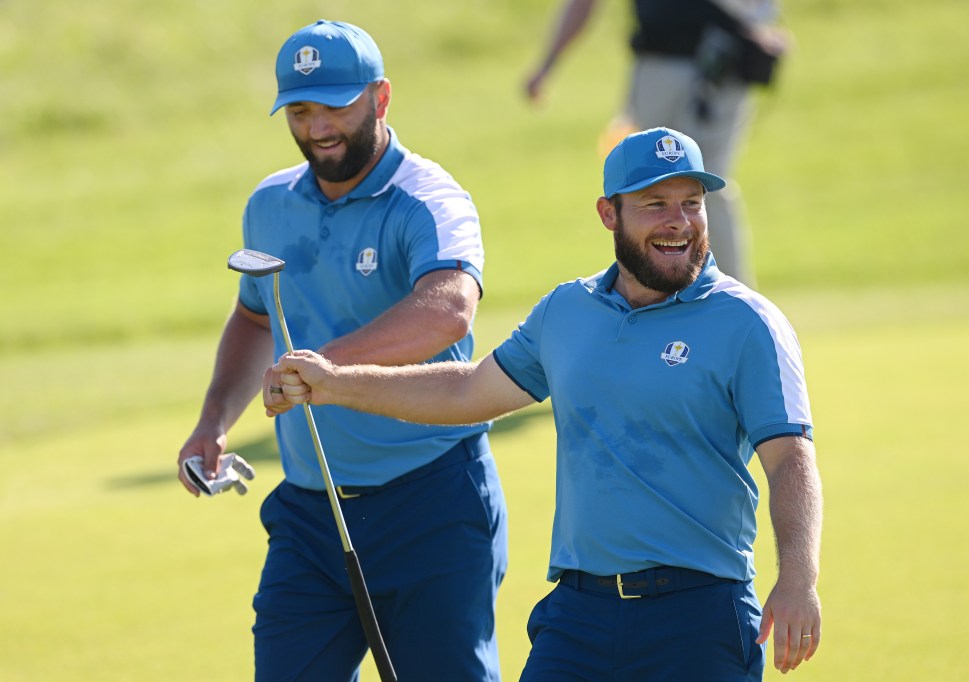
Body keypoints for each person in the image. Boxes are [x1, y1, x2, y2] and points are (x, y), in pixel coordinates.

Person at [272, 127, 824, 680]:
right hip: (580, 617)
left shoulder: (748, 323)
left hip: (698, 615)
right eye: (655, 204)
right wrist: (333, 381)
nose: (678, 221)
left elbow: (789, 459)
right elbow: (467, 390)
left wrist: (798, 578)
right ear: (610, 214)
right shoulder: (567, 310)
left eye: (691, 204)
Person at [177, 20, 508, 682]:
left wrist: (324, 369)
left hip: (431, 504)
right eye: (301, 110)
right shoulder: (269, 204)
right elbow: (254, 318)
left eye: (337, 105)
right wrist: (212, 424)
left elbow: (446, 309)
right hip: (310, 511)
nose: (319, 126)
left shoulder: (428, 199)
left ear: (380, 99)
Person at [524, 0, 790, 287]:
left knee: (706, 184)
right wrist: (547, 65)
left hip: (718, 60)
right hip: (654, 65)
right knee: (645, 182)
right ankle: (652, 291)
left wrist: (761, 22)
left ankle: (734, 300)